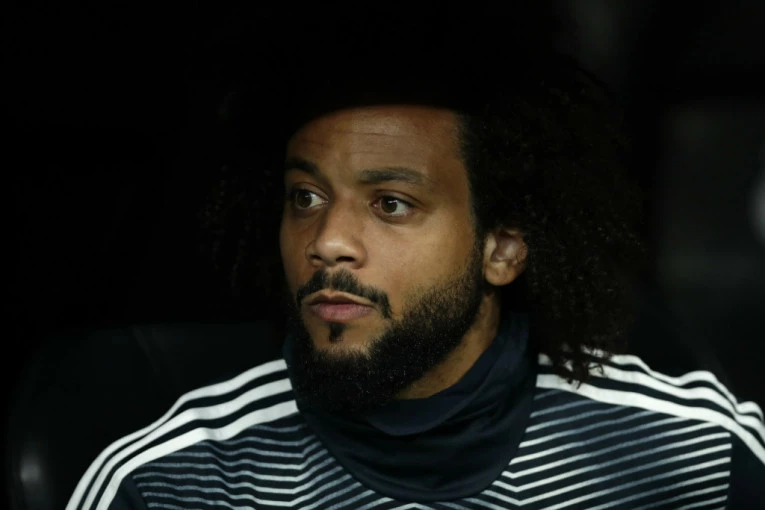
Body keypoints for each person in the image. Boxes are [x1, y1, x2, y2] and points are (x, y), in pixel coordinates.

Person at [67, 5, 765, 509]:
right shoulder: (174, 481)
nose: (327, 241)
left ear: (502, 249)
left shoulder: (691, 455)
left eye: (391, 204)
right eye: (305, 197)